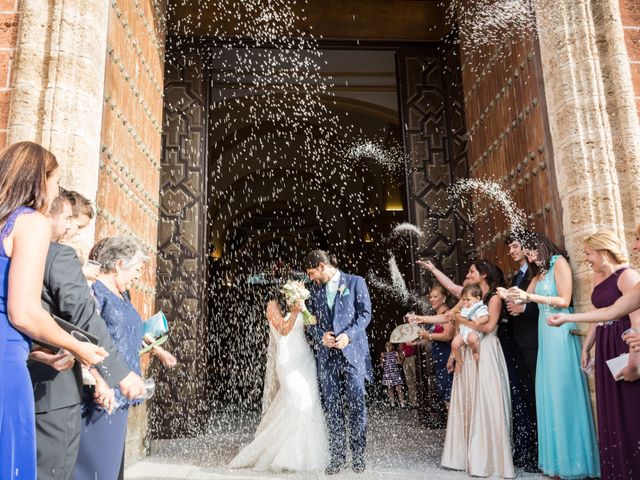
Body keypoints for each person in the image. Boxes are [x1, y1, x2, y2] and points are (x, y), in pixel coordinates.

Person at [0, 141, 108, 479]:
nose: (56, 190)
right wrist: (78, 347)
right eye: (55, 181)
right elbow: (24, 313)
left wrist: (34, 350)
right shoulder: (31, 222)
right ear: (39, 180)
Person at [28, 193, 145, 480]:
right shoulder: (56, 256)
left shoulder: (41, 254)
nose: (74, 233)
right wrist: (113, 377)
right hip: (78, 387)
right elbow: (84, 324)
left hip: (100, 382)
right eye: (75, 224)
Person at [409, 260, 514, 478]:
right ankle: (470, 455)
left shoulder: (493, 297)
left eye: (472, 271)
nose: (467, 274)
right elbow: (448, 315)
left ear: (483, 274)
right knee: (470, 401)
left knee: (486, 400)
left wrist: (463, 323)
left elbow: (488, 326)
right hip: (465, 351)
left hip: (485, 349)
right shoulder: (467, 296)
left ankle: (490, 459)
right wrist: (422, 318)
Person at [508, 232, 599, 478]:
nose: (529, 255)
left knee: (562, 391)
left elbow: (564, 299)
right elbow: (523, 299)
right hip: (544, 336)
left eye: (531, 250)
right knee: (547, 393)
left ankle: (575, 463)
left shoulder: (559, 262)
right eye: (527, 253)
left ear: (541, 246)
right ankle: (557, 463)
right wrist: (507, 296)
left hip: (560, 331)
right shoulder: (539, 274)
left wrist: (529, 297)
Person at [551, 230, 640, 479]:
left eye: (589, 253)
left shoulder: (628, 276)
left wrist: (634, 363)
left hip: (623, 344)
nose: (587, 259)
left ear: (602, 251)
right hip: (606, 343)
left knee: (630, 410)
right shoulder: (597, 278)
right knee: (611, 408)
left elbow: (636, 323)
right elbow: (604, 313)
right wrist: (586, 345)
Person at [73, 236, 150, 479]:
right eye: (136, 269)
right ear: (119, 264)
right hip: (100, 394)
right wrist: (99, 379)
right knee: (95, 469)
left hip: (122, 393)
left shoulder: (123, 294)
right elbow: (85, 338)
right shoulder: (95, 292)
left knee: (112, 469)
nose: (138, 276)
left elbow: (122, 333)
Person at [230, 284, 329, 472]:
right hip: (287, 361)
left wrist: (304, 309)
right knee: (295, 404)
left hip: (305, 360)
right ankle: (284, 456)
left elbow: (313, 324)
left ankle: (308, 457)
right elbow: (283, 330)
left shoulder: (299, 304)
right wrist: (293, 312)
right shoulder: (272, 305)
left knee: (309, 403)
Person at [306, 250, 372, 475]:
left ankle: (358, 456)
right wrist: (320, 336)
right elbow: (309, 323)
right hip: (327, 358)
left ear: (322, 266)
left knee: (356, 406)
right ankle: (337, 456)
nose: (311, 278)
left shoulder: (356, 282)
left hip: (352, 355)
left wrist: (349, 335)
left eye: (312, 272)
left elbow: (365, 315)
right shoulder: (313, 290)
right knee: (331, 408)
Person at [501, 231, 539, 471]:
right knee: (526, 397)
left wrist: (521, 308)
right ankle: (530, 451)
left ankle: (538, 452)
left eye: (515, 246)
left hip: (534, 340)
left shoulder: (536, 273)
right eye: (510, 247)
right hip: (518, 342)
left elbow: (536, 304)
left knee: (535, 396)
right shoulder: (517, 276)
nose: (511, 251)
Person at [411, 285, 454, 404]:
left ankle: (453, 422)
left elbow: (448, 335)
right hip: (438, 359)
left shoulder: (448, 313)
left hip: (448, 356)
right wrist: (416, 342)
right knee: (444, 396)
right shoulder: (434, 316)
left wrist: (428, 336)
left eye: (435, 296)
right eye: (430, 297)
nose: (432, 299)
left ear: (444, 298)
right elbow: (429, 339)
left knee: (449, 396)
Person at [450, 283, 489, 369]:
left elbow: (486, 317)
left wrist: (478, 321)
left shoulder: (480, 307)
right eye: (463, 300)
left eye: (468, 299)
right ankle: (459, 361)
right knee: (454, 344)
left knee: (471, 339)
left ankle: (475, 351)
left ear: (477, 298)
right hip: (463, 331)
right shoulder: (464, 307)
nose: (465, 302)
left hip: (473, 331)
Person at [381, 341, 405, 407]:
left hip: (395, 372)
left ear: (392, 346)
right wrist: (382, 359)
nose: (388, 347)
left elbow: (399, 363)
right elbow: (382, 365)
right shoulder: (383, 354)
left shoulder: (395, 353)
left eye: (390, 345)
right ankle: (392, 403)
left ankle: (402, 403)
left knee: (399, 388)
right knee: (390, 388)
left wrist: (402, 358)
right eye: (387, 345)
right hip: (388, 373)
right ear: (385, 347)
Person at [398, 341, 417, 407]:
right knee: (409, 381)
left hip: (413, 357)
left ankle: (419, 399)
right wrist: (401, 355)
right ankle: (413, 402)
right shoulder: (402, 339)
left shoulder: (412, 335)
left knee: (416, 379)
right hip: (405, 359)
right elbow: (400, 350)